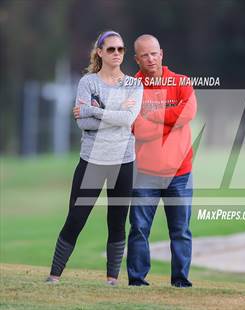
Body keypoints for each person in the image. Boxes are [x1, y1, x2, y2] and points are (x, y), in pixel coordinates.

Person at [46, 30, 142, 285]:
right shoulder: (88, 82)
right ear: (100, 52)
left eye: (120, 49)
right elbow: (82, 122)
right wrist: (110, 114)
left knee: (117, 221)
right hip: (92, 160)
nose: (116, 54)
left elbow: (128, 119)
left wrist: (96, 110)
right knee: (76, 218)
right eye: (111, 49)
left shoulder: (133, 85)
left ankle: (112, 279)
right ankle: (54, 275)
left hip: (123, 161)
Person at [127, 34, 197, 288]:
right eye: (144, 55)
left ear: (162, 53)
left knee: (180, 231)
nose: (150, 58)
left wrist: (153, 115)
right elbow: (138, 129)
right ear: (136, 59)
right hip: (144, 173)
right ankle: (136, 280)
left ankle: (180, 281)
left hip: (180, 172)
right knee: (139, 229)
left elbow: (186, 113)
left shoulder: (181, 82)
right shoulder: (130, 87)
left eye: (154, 53)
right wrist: (169, 120)